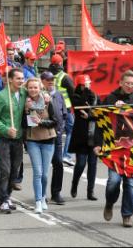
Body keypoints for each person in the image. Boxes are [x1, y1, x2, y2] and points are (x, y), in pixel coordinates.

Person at [97, 70, 133, 228]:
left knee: (130, 184)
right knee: (113, 181)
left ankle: (127, 215)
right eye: (127, 83)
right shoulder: (110, 98)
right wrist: (97, 144)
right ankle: (110, 203)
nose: (130, 86)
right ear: (121, 83)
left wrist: (129, 108)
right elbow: (100, 120)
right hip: (114, 146)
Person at [0, 68, 27, 214]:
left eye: (22, 78)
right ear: (10, 79)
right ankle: (3, 200)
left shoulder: (23, 93)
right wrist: (6, 129)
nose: (21, 81)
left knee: (14, 171)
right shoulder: (1, 96)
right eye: (18, 78)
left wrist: (46, 97)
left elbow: (37, 91)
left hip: (18, 139)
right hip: (3, 139)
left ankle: (8, 196)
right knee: (5, 169)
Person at [23, 77, 58, 213]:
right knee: (37, 173)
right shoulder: (25, 101)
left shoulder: (48, 100)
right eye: (30, 87)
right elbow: (23, 123)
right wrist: (27, 112)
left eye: (35, 87)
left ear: (40, 88)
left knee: (44, 174)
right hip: (32, 140)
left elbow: (55, 121)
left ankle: (43, 197)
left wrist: (41, 122)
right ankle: (37, 201)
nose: (33, 90)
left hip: (48, 139)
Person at [69, 74, 99, 201]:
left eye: (88, 84)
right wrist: (86, 93)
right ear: (80, 86)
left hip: (93, 134)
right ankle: (74, 184)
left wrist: (90, 116)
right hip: (81, 135)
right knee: (81, 163)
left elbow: (99, 113)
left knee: (93, 164)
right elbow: (79, 107)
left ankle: (90, 191)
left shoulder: (94, 96)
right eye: (85, 85)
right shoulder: (75, 97)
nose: (88, 87)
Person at [41, 71, 67, 206]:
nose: (51, 82)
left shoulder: (59, 95)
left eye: (52, 80)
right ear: (42, 81)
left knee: (58, 163)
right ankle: (41, 193)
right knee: (42, 167)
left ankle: (56, 193)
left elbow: (64, 113)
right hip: (42, 136)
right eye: (47, 80)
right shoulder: (38, 95)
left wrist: (62, 128)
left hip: (56, 135)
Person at [49, 53, 76, 166]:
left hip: (53, 107)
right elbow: (73, 92)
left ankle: (53, 156)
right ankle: (66, 155)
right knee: (70, 131)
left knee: (56, 132)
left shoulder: (49, 75)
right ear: (61, 63)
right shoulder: (64, 76)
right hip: (66, 107)